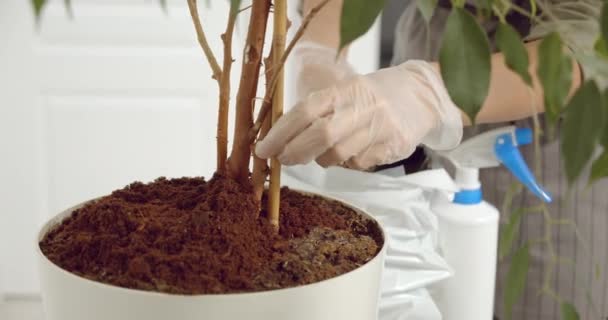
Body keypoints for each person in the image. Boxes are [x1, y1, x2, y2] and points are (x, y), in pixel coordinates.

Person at [255, 0, 607, 319]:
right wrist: (318, 50)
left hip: (549, 108)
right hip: (436, 44)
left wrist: (429, 93)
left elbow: (592, 38)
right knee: (425, 282)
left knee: (538, 298)